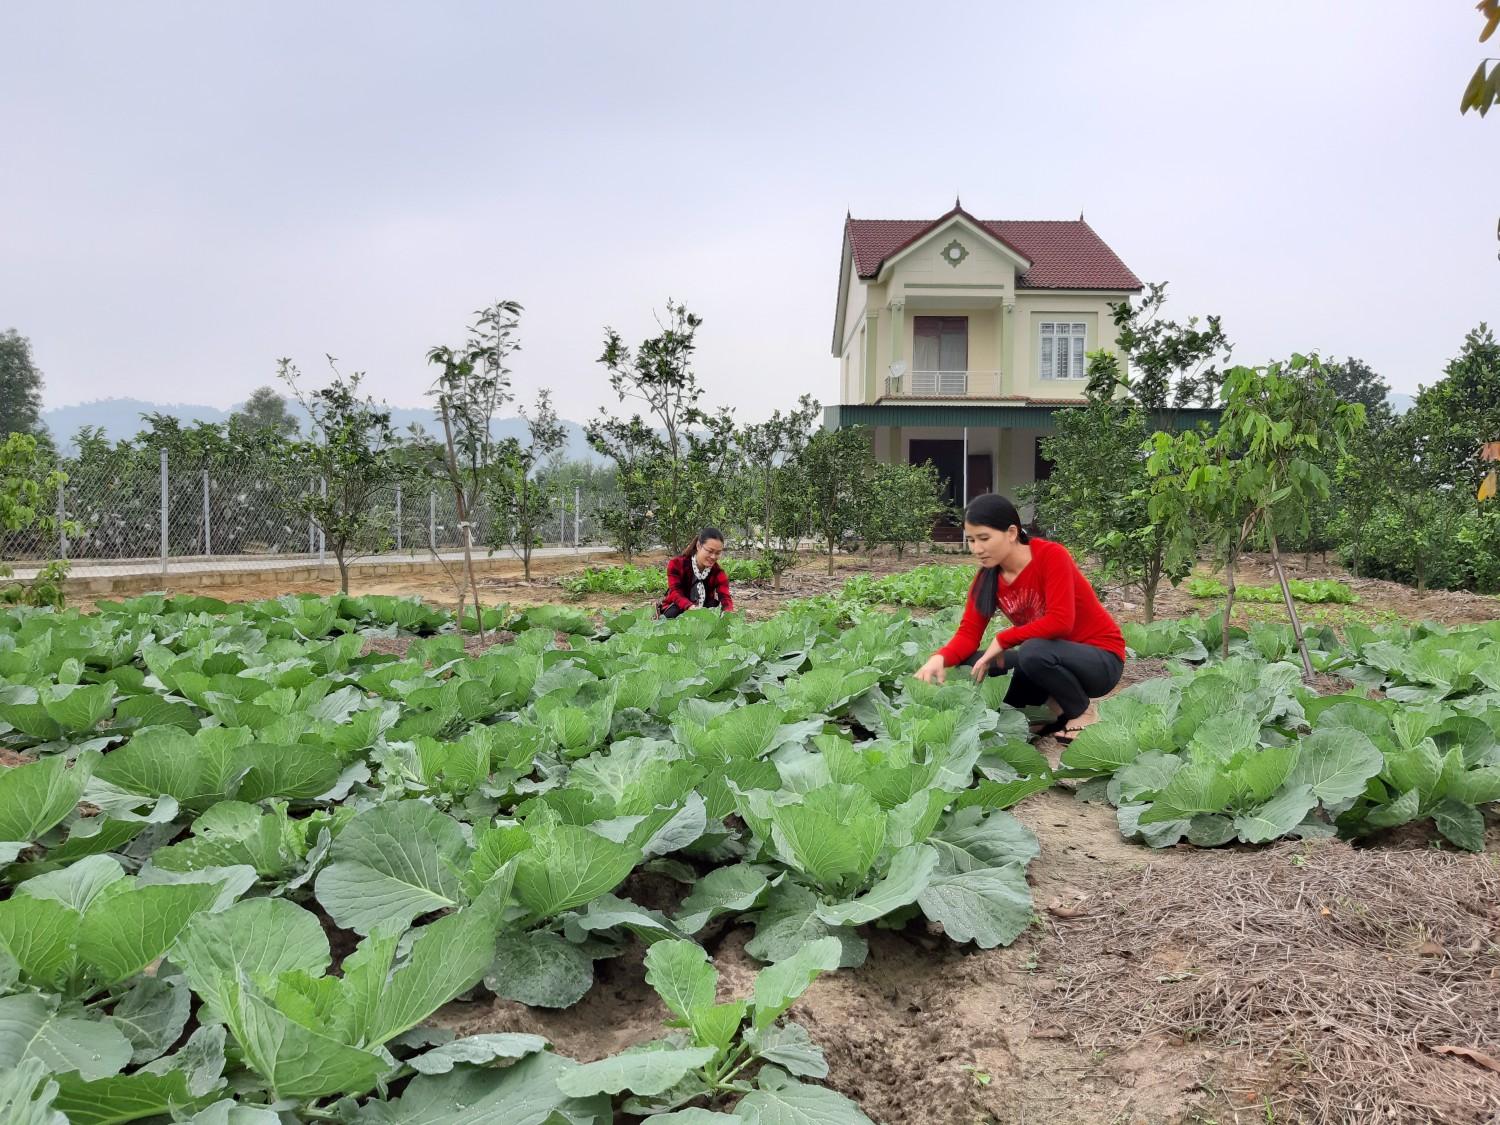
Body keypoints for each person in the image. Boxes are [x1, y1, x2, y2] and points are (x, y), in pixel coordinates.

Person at [914, 493, 1125, 744]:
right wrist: (939, 658)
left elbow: (1061, 621)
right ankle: (1052, 709)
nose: (977, 549)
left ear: (1011, 533)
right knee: (974, 664)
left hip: (1100, 661)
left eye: (984, 538)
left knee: (1034, 651)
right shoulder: (987, 579)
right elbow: (968, 634)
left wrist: (1004, 639)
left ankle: (1082, 710)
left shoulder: (1050, 556)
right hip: (1049, 664)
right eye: (970, 540)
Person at [658, 527, 735, 618]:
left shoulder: (718, 573)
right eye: (710, 551)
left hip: (703, 610)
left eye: (717, 553)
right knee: (674, 612)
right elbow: (675, 592)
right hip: (679, 608)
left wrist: (727, 613)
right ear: (698, 546)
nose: (713, 556)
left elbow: (725, 597)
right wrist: (690, 607)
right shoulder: (677, 564)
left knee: (714, 607)